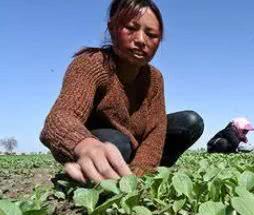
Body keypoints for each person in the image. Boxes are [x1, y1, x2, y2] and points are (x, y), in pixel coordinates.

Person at [40, 0, 203, 184]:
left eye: (151, 34)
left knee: (191, 122)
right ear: (112, 28)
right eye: (131, 28)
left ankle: (140, 172)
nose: (141, 40)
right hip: (100, 144)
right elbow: (59, 119)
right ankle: (93, 171)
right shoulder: (92, 64)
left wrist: (138, 175)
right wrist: (85, 145)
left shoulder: (155, 78)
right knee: (117, 144)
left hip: (135, 146)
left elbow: (156, 131)